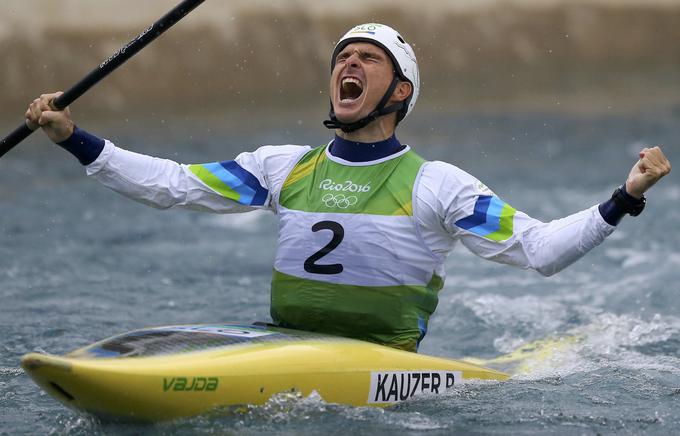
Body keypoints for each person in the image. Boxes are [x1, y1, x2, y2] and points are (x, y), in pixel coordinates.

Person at [25, 23, 671, 353]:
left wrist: (625, 196)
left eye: (367, 59)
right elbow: (171, 185)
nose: (347, 65)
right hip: (281, 344)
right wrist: (74, 138)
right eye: (341, 58)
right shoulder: (282, 166)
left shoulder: (438, 185)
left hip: (381, 362)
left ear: (400, 91)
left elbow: (540, 251)